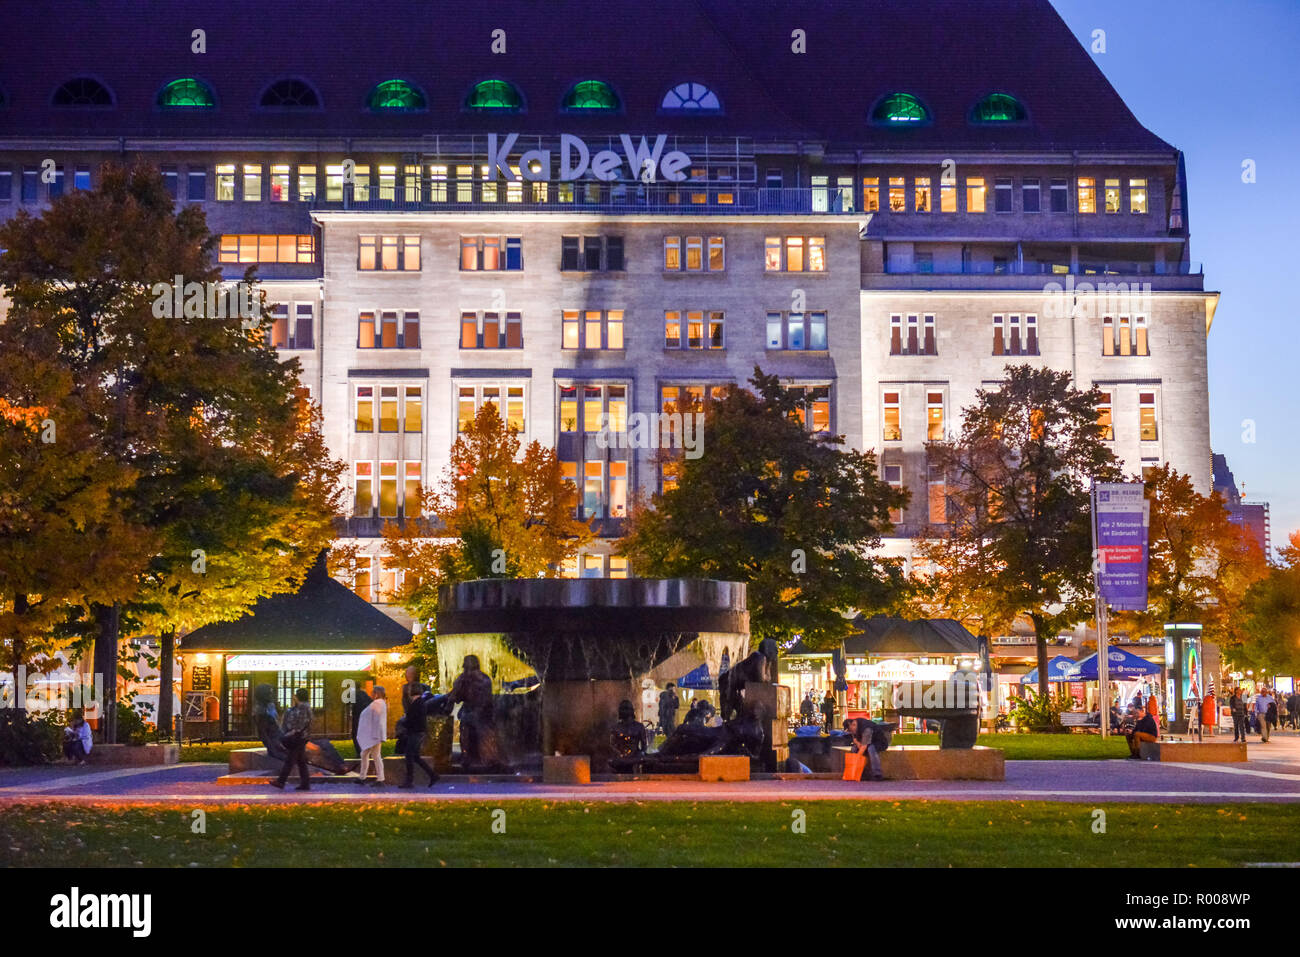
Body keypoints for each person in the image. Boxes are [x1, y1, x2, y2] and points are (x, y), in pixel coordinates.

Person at [449, 654, 495, 770]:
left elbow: (485, 700)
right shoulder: (466, 678)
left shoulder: (481, 679)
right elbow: (456, 695)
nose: (465, 670)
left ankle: (479, 757)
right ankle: (468, 756)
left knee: (470, 724)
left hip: (481, 712)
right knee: (465, 723)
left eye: (466, 667)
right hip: (472, 711)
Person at [400, 665, 439, 787]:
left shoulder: (416, 703)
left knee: (409, 755)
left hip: (415, 732)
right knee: (415, 756)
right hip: (418, 731)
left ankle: (409, 781)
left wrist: (404, 724)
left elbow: (412, 718)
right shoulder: (420, 702)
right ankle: (433, 775)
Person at [271, 688, 312, 790]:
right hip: (301, 737)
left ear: (297, 696)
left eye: (295, 695)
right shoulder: (304, 707)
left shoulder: (303, 707)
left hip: (298, 737)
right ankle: (305, 784)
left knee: (290, 760)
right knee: (301, 761)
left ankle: (281, 781)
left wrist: (292, 732)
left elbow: (301, 723)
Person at [356, 685, 387, 786]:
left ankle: (365, 778)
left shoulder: (377, 704)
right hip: (375, 734)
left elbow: (376, 720)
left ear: (376, 694)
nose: (371, 695)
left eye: (372, 693)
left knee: (367, 754)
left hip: (373, 735)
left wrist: (375, 735)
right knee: (374, 755)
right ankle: (377, 778)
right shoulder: (381, 703)